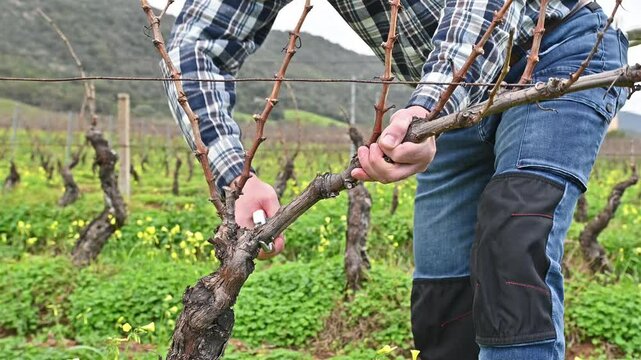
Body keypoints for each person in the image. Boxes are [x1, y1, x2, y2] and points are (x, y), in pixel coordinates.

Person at [162, 0, 628, 358]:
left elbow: (482, 10)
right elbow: (196, 46)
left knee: (512, 236)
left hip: (558, 54)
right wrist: (236, 175)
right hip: (456, 97)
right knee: (442, 296)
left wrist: (432, 108)